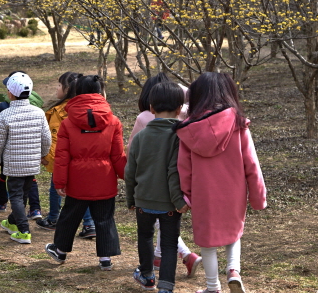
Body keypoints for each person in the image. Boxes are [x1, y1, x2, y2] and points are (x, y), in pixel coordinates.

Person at [175, 72, 267, 293]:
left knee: (207, 242)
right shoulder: (238, 123)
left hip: (203, 193)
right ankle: (233, 271)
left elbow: (184, 168)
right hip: (234, 191)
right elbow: (252, 164)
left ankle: (212, 287)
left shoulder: (189, 128)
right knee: (234, 233)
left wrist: (186, 195)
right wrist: (258, 196)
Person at [45, 75, 126, 271]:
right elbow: (118, 155)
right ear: (100, 92)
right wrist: (127, 177)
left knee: (69, 216)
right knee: (105, 218)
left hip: (77, 181)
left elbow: (62, 157)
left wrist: (59, 182)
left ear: (77, 92)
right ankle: (105, 258)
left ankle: (60, 251)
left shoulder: (68, 123)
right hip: (104, 179)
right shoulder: (113, 121)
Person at [127, 72, 200, 277]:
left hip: (145, 194)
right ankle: (167, 284)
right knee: (169, 240)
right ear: (179, 108)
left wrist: (131, 197)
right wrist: (179, 199)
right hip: (170, 200)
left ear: (151, 106)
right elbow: (175, 169)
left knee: (146, 236)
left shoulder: (142, 124)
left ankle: (147, 275)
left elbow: (131, 164)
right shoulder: (182, 130)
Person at [0, 72, 51, 244]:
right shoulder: (39, 113)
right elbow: (46, 139)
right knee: (23, 194)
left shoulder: (5, 115)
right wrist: (42, 154)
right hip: (31, 163)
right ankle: (12, 222)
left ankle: (24, 231)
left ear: (10, 93)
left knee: (16, 196)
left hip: (13, 164)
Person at [36, 72, 97, 239]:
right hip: (82, 158)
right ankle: (89, 224)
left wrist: (47, 157)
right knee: (82, 190)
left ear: (67, 88)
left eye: (59, 85)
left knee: (56, 188)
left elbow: (54, 138)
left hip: (62, 159)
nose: (56, 88)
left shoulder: (59, 111)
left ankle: (53, 219)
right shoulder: (86, 109)